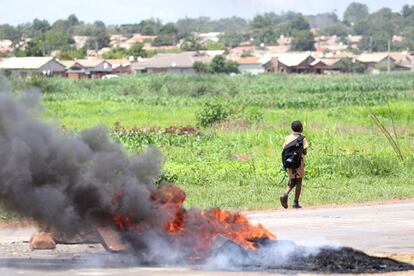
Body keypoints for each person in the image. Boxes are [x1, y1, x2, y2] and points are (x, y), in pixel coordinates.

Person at [280, 120, 309, 209]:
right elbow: (305, 151)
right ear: (301, 129)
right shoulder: (302, 138)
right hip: (299, 163)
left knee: (292, 180)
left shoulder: (287, 138)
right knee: (299, 181)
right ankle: (295, 202)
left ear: (292, 128)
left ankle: (285, 193)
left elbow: (284, 149)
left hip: (289, 162)